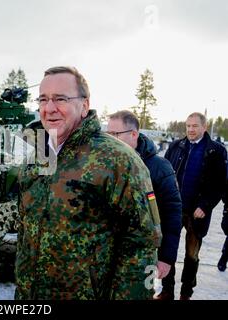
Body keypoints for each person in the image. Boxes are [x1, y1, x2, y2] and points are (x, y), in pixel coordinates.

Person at [15, 66, 162, 300]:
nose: (49, 108)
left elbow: (142, 244)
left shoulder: (119, 160)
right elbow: (25, 226)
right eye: (43, 99)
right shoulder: (39, 156)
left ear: (84, 105)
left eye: (60, 98)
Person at [107, 110, 182, 283]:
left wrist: (166, 258)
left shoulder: (159, 168)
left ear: (134, 134)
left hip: (142, 257)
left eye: (114, 134)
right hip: (107, 254)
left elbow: (172, 214)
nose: (109, 140)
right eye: (107, 134)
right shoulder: (104, 164)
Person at [163, 112, 227, 300]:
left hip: (197, 213)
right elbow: (165, 176)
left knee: (192, 256)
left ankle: (186, 293)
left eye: (195, 126)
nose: (190, 129)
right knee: (168, 251)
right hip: (174, 210)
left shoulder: (216, 151)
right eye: (188, 126)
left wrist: (205, 206)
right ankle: (167, 290)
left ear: (204, 127)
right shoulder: (175, 147)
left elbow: (220, 185)